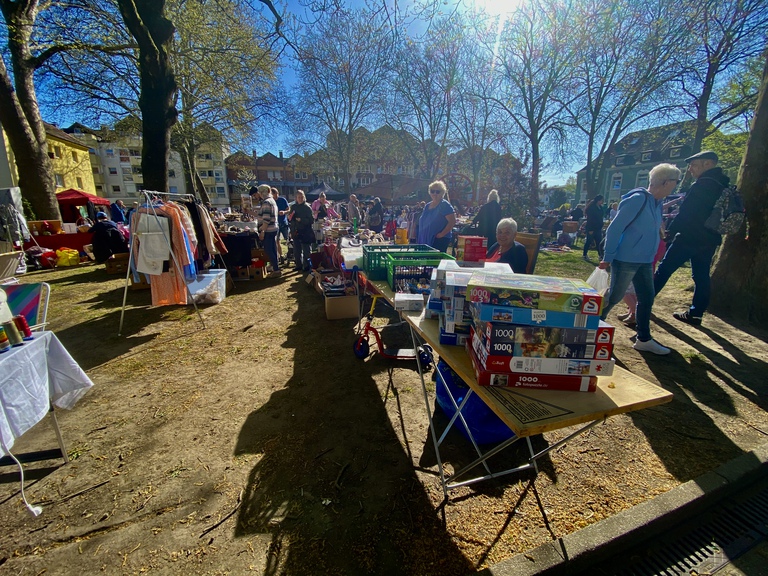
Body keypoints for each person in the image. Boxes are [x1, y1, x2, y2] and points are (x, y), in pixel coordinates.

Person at [598, 163, 681, 355]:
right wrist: (608, 257)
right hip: (626, 259)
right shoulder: (637, 200)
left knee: (646, 298)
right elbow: (614, 229)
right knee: (615, 296)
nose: (675, 187)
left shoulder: (657, 203)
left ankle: (643, 338)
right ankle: (591, 326)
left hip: (645, 260)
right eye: (675, 182)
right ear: (666, 182)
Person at [653, 150, 729, 326]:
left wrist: (670, 233)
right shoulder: (723, 184)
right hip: (710, 239)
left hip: (689, 237)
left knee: (664, 270)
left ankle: (642, 304)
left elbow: (686, 212)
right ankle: (696, 313)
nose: (691, 170)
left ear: (708, 164)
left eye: (694, 165)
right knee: (701, 276)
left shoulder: (703, 184)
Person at [417, 181, 456, 252]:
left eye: (438, 192)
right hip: (425, 238)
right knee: (425, 261)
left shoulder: (444, 205)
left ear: (443, 193)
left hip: (438, 239)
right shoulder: (427, 205)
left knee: (435, 261)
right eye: (432, 191)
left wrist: (442, 234)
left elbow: (452, 221)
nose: (435, 194)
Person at [255, 184, 281, 278]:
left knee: (269, 250)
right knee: (273, 249)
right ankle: (276, 268)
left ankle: (276, 269)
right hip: (274, 228)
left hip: (268, 230)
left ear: (262, 193)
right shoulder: (272, 201)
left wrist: (262, 232)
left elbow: (266, 219)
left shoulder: (266, 202)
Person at [289, 190, 315, 272]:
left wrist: (301, 220)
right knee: (296, 250)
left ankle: (306, 266)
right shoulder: (293, 207)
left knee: (306, 250)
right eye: (298, 197)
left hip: (306, 231)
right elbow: (291, 219)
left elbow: (311, 220)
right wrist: (292, 230)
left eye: (301, 197)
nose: (300, 199)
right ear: (296, 198)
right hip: (296, 231)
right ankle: (298, 265)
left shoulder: (307, 207)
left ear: (304, 197)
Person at [582, 195, 605, 261]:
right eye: (601, 200)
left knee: (599, 242)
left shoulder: (600, 207)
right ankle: (584, 255)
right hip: (591, 227)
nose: (602, 201)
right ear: (598, 200)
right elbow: (590, 219)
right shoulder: (591, 207)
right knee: (589, 241)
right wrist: (590, 229)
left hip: (598, 227)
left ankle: (600, 255)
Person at [271, 188, 290, 264]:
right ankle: (281, 256)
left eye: (276, 194)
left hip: (284, 223)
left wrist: (284, 212)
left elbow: (289, 209)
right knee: (277, 241)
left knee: (288, 240)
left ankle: (289, 255)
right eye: (274, 195)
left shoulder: (283, 200)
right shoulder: (271, 202)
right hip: (275, 224)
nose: (275, 196)